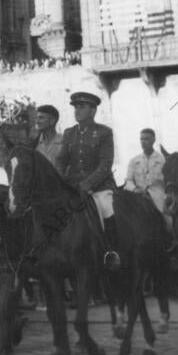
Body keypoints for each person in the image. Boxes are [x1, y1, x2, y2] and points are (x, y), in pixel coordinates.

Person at [56, 92, 120, 270]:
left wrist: (87, 184)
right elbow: (62, 160)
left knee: (106, 209)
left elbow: (105, 165)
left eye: (82, 107)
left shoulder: (104, 132)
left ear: (93, 110)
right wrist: (59, 178)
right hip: (72, 185)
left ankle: (110, 252)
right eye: (76, 107)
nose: (77, 110)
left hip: (99, 186)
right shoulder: (69, 133)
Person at [124, 128, 167, 215]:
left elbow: (166, 181)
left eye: (146, 139)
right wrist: (135, 189)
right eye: (141, 139)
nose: (143, 142)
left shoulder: (162, 160)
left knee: (167, 222)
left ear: (153, 140)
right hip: (138, 196)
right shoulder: (134, 161)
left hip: (158, 198)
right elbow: (128, 180)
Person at [32, 105, 63, 169]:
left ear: (52, 121)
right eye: (36, 118)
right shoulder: (33, 144)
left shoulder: (64, 142)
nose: (37, 121)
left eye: (41, 118)